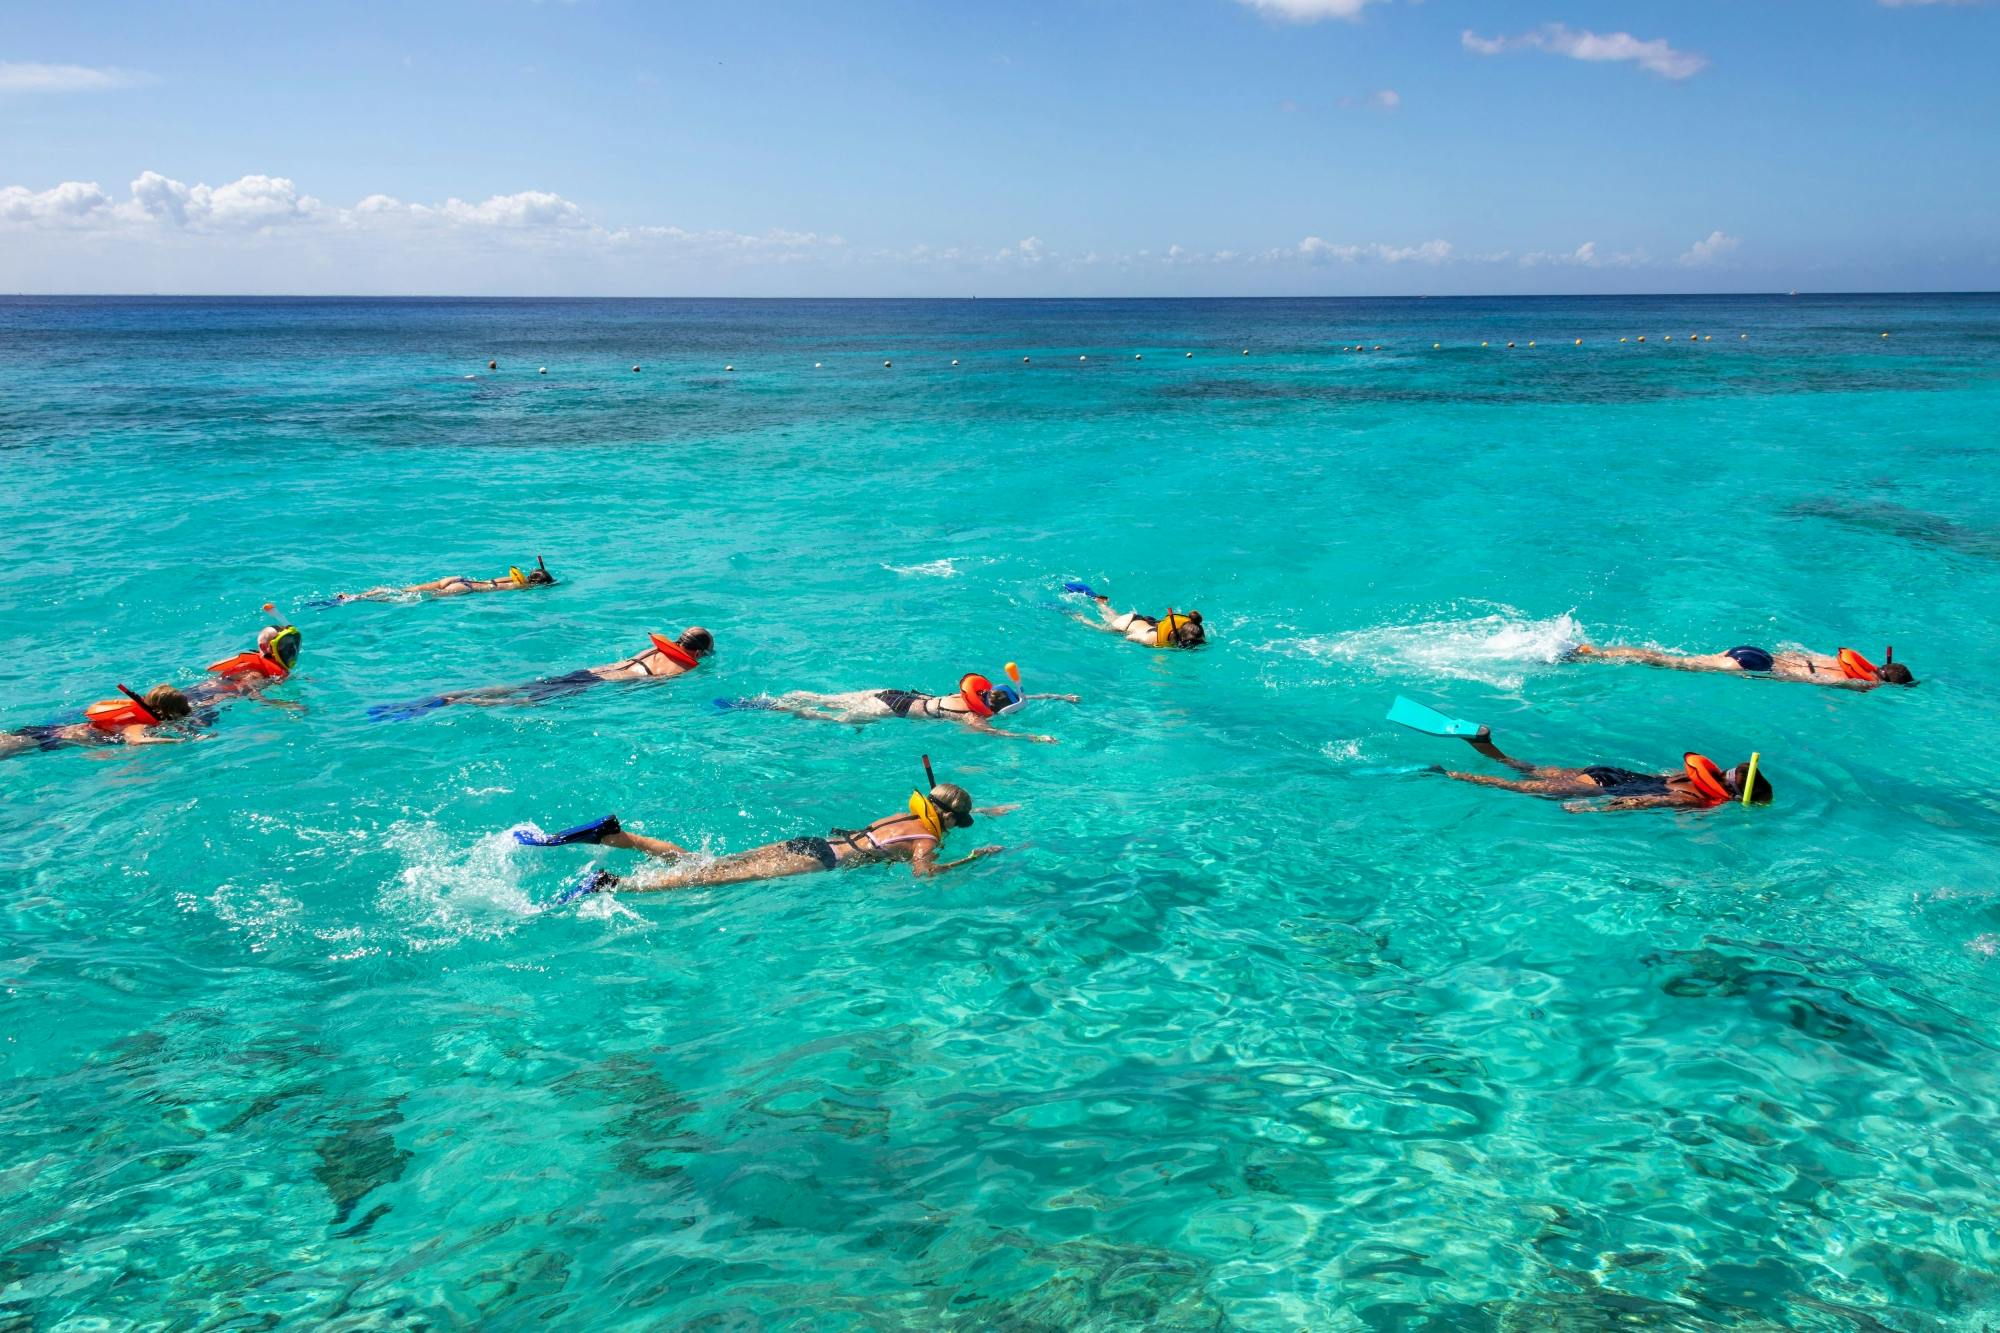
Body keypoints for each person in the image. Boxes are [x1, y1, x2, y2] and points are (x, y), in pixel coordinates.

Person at [516, 775, 1005, 897]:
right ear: (951, 822)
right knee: (711, 880)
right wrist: (972, 859)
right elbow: (925, 875)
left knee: (714, 861)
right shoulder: (929, 840)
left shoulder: (902, 815)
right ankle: (614, 884)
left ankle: (617, 837)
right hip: (819, 862)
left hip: (810, 842)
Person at [368, 627, 713, 719]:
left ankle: (456, 693)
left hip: (590, 671)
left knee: (521, 687)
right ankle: (457, 703)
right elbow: (645, 690)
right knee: (527, 703)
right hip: (602, 685)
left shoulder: (653, 647)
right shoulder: (681, 667)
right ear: (696, 652)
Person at [1433, 723, 1771, 812]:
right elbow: (1642, 801)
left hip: (1610, 772)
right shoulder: (1694, 800)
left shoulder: (1685, 776)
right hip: (1599, 788)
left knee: (1530, 770)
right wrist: (1594, 809)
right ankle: (1451, 775)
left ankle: (1487, 746)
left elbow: (1650, 787)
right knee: (1517, 788)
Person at [721, 669, 1078, 743]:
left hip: (893, 692)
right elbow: (997, 732)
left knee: (824, 699)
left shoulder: (973, 698)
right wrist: (1031, 738)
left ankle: (783, 697)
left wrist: (1058, 697)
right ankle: (771, 709)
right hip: (891, 710)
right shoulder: (971, 717)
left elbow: (1021, 700)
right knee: (830, 719)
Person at [1570, 639, 1915, 689]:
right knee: (1669, 664)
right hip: (1757, 668)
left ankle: (1600, 649)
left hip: (1758, 652)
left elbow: (1790, 647)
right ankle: (1593, 655)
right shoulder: (1852, 683)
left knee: (1675, 658)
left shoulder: (1836, 661)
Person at [1, 684, 205, 759]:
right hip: (49, 740)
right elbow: (137, 741)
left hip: (51, 731)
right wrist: (181, 741)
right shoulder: (137, 724)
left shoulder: (133, 713)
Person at [323, 556, 555, 603]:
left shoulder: (515, 578)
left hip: (458, 578)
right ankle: (361, 600)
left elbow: (513, 576)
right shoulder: (520, 587)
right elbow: (523, 586)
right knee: (412, 600)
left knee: (405, 591)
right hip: (463, 590)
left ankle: (365, 593)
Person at [1063, 581, 1206, 649]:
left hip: (1145, 621)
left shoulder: (1191, 628)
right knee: (1100, 628)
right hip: (1128, 624)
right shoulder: (1151, 639)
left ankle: (1100, 602)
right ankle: (1075, 614)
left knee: (1112, 615)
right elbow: (1130, 637)